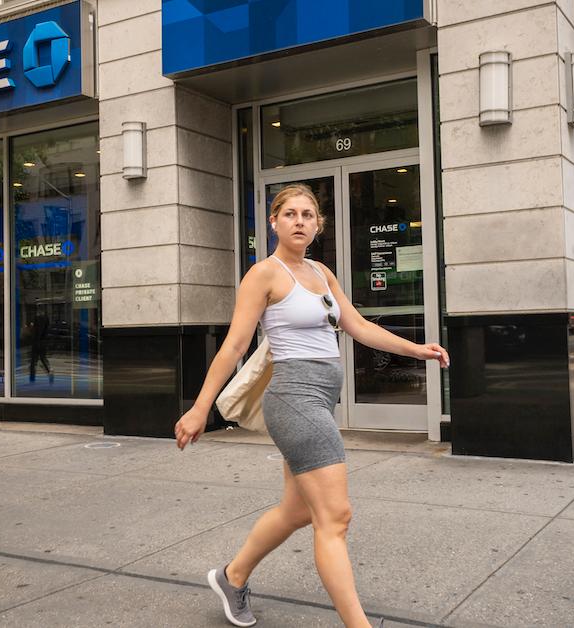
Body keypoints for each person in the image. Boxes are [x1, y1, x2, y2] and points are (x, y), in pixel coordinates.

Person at [174, 184, 449, 628]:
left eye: (308, 215)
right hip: (294, 398)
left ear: (318, 224)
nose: (299, 221)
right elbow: (234, 346)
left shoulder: (322, 273)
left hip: (320, 399)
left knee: (298, 510)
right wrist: (199, 408)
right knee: (335, 516)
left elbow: (358, 326)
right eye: (290, 214)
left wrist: (417, 349)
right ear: (274, 222)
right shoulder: (264, 274)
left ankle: (233, 576)